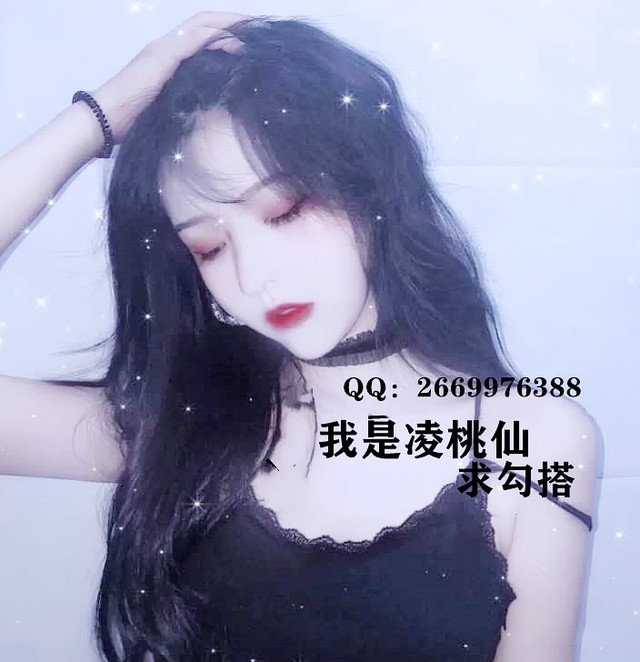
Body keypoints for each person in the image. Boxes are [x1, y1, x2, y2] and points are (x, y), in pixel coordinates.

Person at [0, 11, 598, 662]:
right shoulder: (186, 429)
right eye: (209, 248)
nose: (254, 276)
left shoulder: (537, 443)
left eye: (284, 211)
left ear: (371, 186)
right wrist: (101, 115)